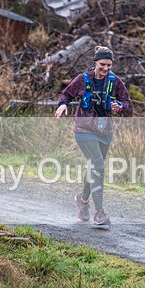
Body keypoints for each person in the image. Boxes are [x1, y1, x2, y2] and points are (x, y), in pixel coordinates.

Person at [56, 46, 130, 227]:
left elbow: (127, 103)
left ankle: (82, 200)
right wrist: (62, 105)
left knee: (94, 168)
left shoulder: (115, 81)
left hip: (105, 132)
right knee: (98, 166)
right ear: (95, 62)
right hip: (84, 131)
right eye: (102, 64)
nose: (105, 68)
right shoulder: (82, 79)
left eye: (109, 65)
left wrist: (119, 106)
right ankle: (99, 212)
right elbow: (66, 94)